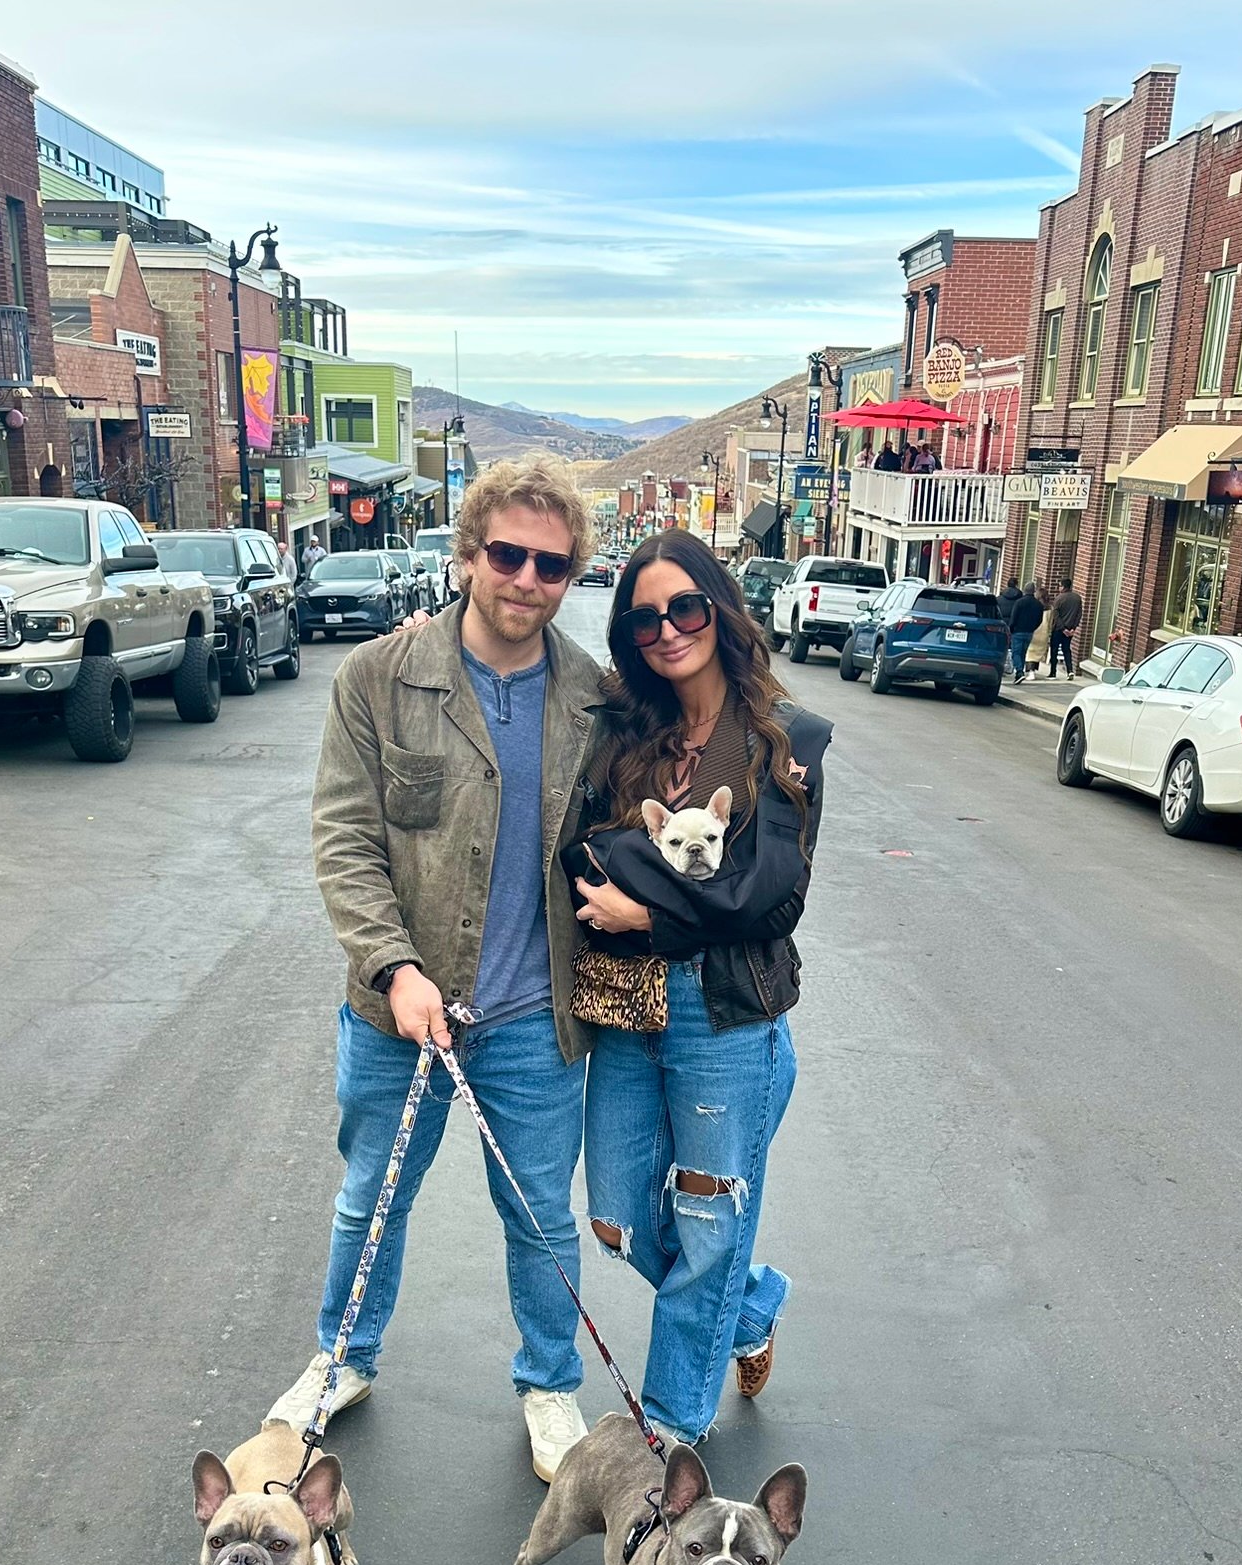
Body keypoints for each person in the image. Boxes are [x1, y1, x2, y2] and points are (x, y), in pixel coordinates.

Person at [266, 456, 606, 1482]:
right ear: (467, 556)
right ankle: (342, 1358)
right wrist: (393, 967)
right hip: (398, 1014)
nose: (526, 578)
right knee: (370, 1198)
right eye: (507, 554)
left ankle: (550, 1383)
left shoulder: (595, 700)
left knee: (542, 1216)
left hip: (533, 1020)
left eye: (550, 564)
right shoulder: (379, 678)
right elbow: (344, 843)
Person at [567, 531, 831, 1450]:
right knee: (623, 1217)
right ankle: (749, 1306)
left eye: (685, 606)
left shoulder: (784, 741)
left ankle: (671, 1432)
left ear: (719, 609)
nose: (667, 629)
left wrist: (652, 915)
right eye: (644, 616)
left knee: (709, 1228)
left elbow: (773, 896)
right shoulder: (626, 732)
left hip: (726, 1017)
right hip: (627, 1012)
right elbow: (588, 852)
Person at [1009, 581, 1045, 681]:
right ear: (1033, 591)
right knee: (1023, 652)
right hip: (1029, 632)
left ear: (1025, 590)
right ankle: (1021, 671)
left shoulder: (1019, 602)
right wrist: (1032, 628)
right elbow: (1039, 620)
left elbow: (1014, 617)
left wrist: (1011, 628)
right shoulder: (1038, 604)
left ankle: (1019, 671)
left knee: (1016, 652)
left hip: (1017, 631)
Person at [1049, 576, 1083, 678]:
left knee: (1054, 650)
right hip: (1070, 629)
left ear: (1063, 587)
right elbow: (1079, 614)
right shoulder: (1077, 598)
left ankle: (1053, 672)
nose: (1059, 588)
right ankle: (1070, 670)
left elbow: (1056, 616)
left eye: (1059, 586)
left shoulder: (1059, 599)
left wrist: (1063, 629)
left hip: (1058, 629)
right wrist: (1073, 628)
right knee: (1066, 649)